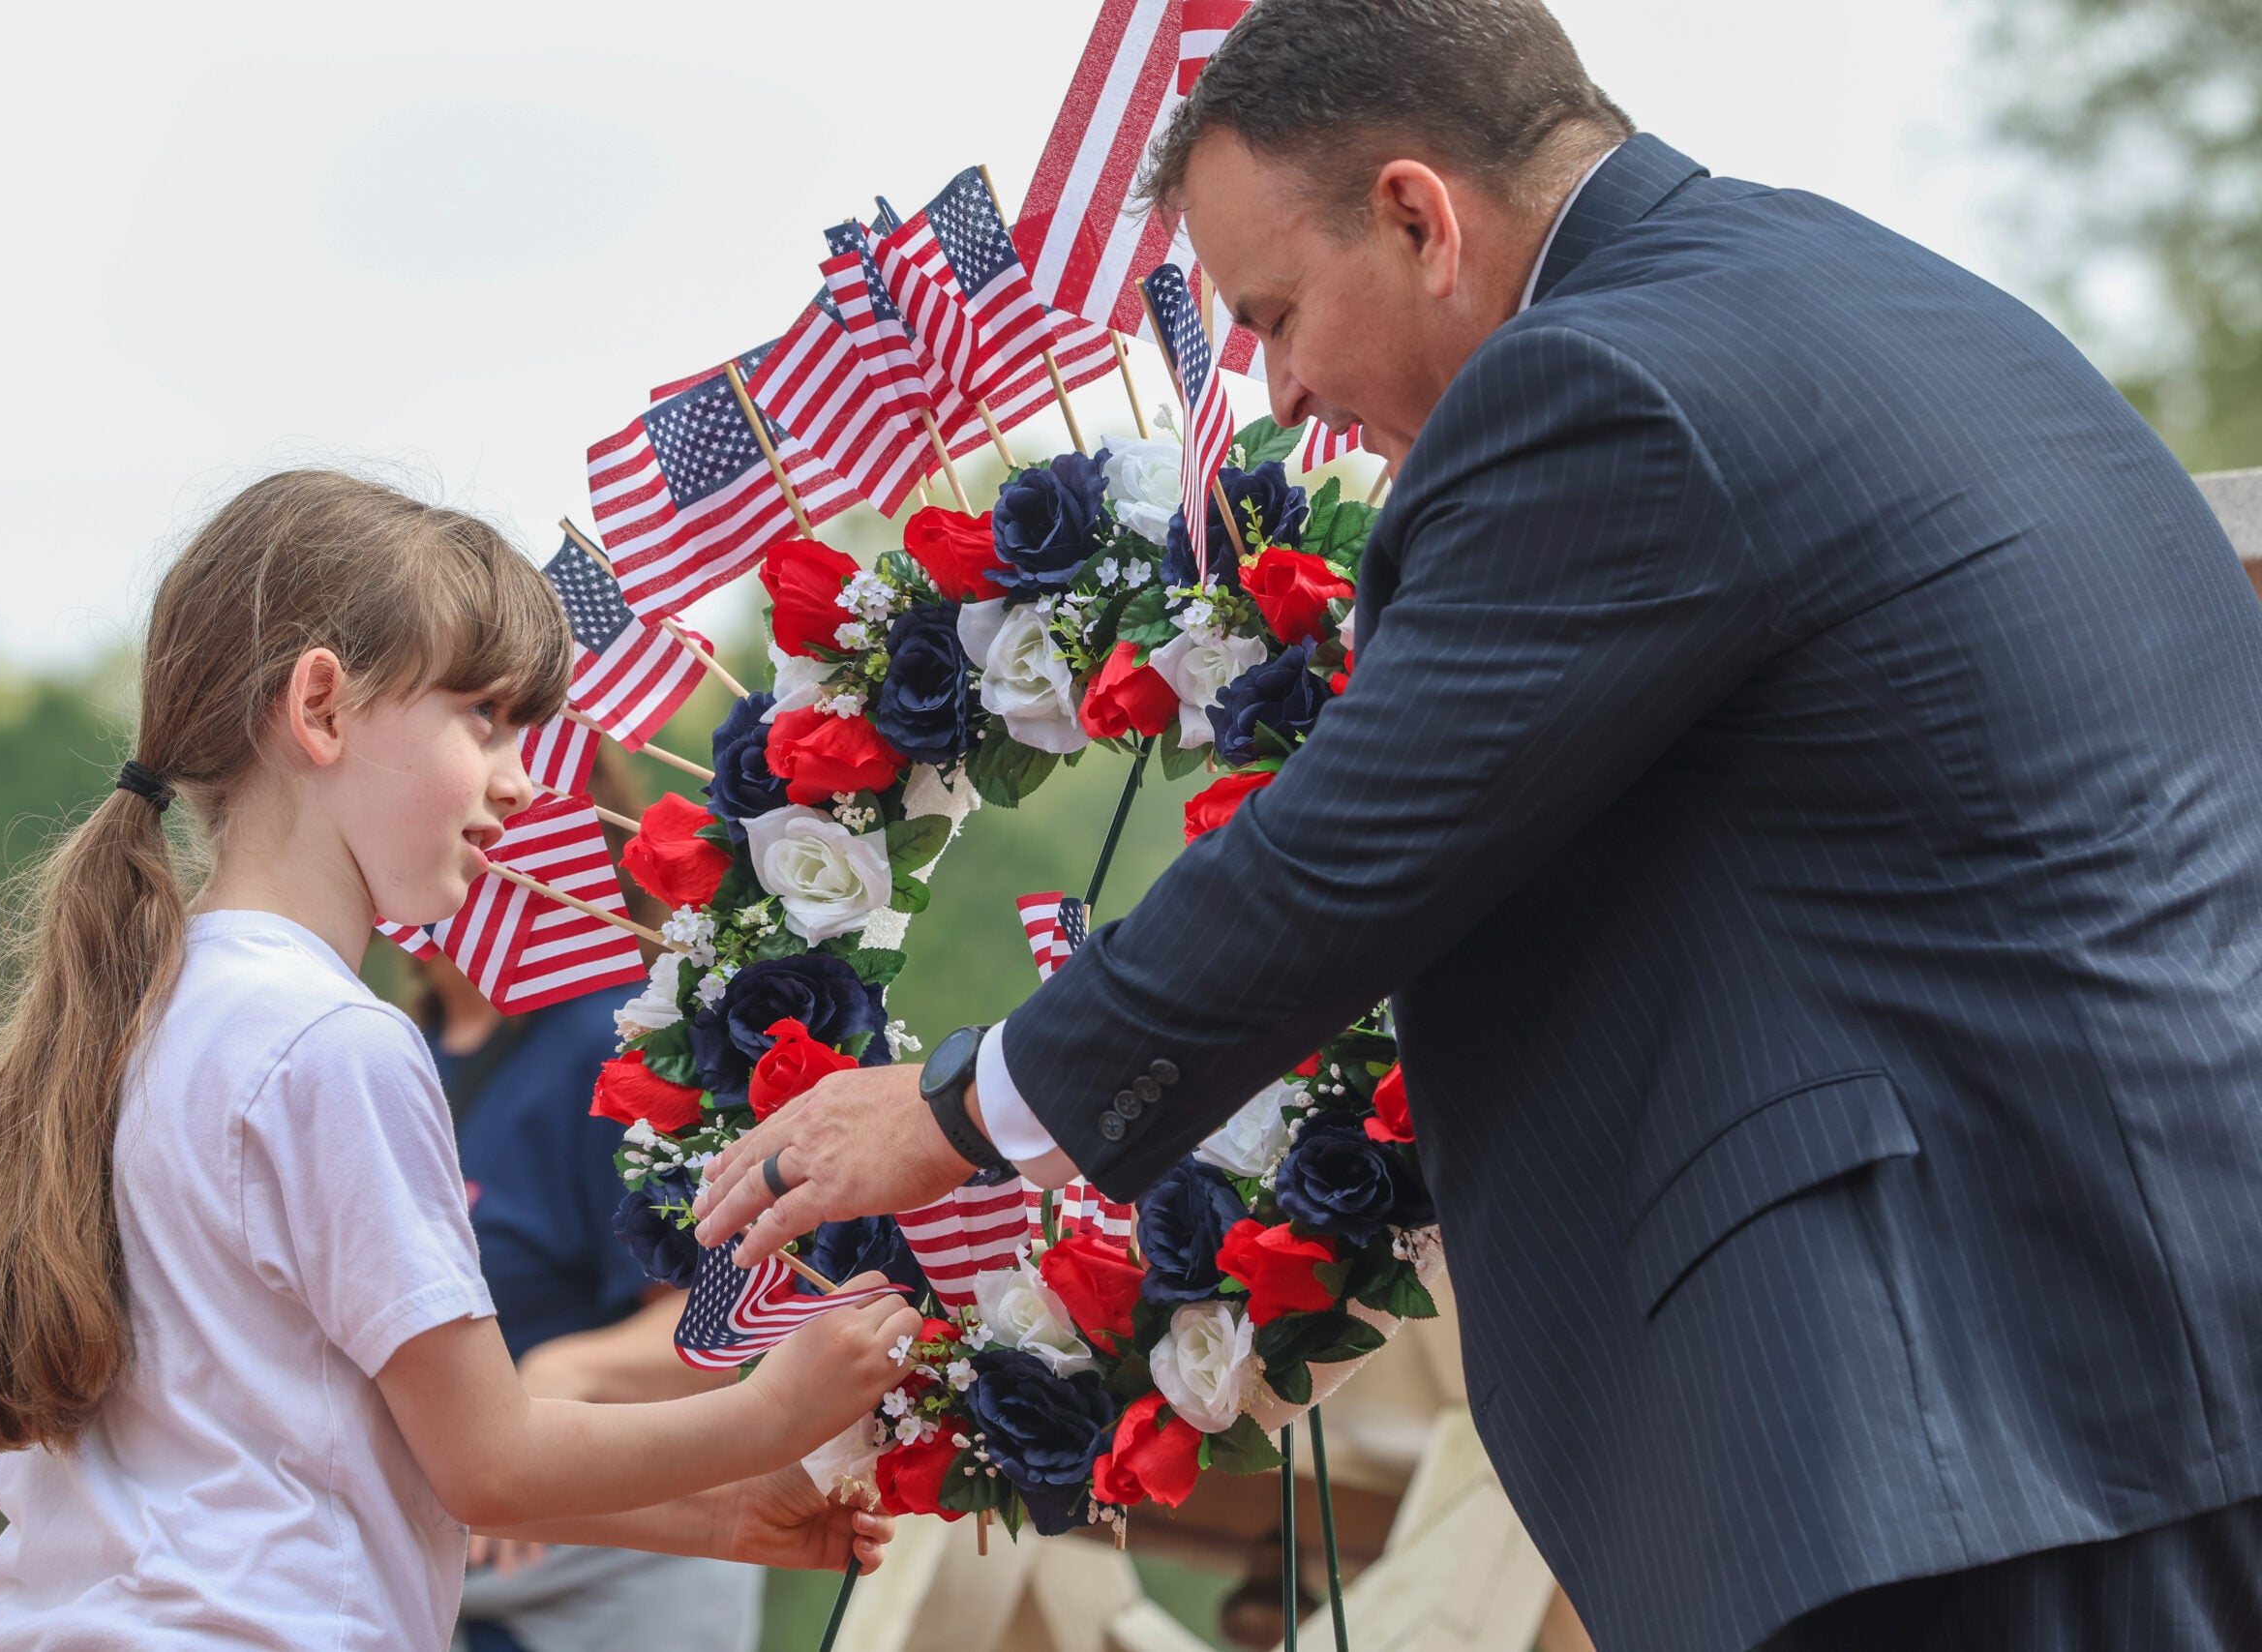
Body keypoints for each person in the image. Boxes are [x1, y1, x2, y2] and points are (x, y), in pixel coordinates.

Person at [692, 3, 2262, 1649]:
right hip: (2137, 1351)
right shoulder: (1887, 297)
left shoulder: (1600, 386)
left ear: (1420, 216)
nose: (1282, 392)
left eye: (1277, 313)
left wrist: (960, 1105)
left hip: (1960, 1418)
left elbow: (1342, 856)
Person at [0, 469, 914, 1652]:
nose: (521, 782)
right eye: (482, 717)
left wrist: (711, 1515)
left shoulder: (144, 1010)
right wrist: (777, 1410)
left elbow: (308, 1446)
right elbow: (489, 1459)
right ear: (320, 707)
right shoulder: (337, 1043)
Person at [411, 750, 760, 1652]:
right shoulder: (386, 1046)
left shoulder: (614, 1051)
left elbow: (717, 1322)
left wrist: (564, 1378)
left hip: (584, 1589)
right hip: (409, 1577)